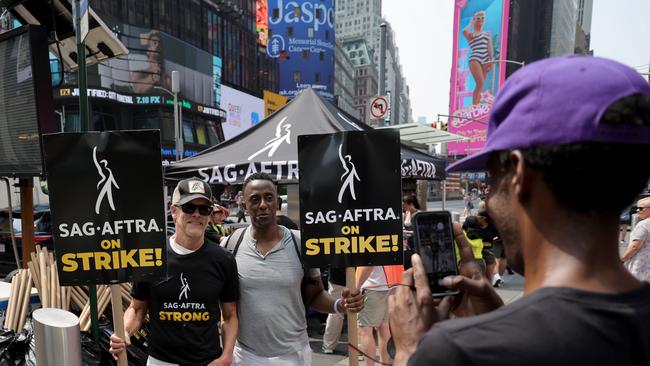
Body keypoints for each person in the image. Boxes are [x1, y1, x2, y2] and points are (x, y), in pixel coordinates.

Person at [388, 56, 650, 365]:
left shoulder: (455, 352)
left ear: (518, 175)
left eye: (491, 178)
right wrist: (499, 316)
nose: (488, 199)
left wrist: (410, 352)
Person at [224, 172, 364, 365]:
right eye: (255, 199)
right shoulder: (231, 245)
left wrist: (339, 305)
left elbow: (314, 296)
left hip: (293, 355)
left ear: (277, 203)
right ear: (244, 205)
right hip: (246, 356)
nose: (263, 204)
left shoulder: (301, 243)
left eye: (269, 197)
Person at [109, 178, 239, 365]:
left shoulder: (223, 260)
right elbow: (137, 309)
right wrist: (124, 333)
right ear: (174, 211)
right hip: (161, 361)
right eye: (189, 207)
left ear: (210, 215)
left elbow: (230, 316)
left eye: (204, 209)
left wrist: (226, 356)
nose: (197, 214)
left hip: (208, 361)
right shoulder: (152, 256)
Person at [463, 10, 493, 105]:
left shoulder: (487, 33)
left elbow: (489, 47)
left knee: (481, 84)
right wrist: (471, 23)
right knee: (479, 82)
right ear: (475, 20)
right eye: (478, 18)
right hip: (475, 58)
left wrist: (491, 60)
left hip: (485, 58)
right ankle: (474, 106)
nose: (480, 20)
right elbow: (464, 31)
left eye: (482, 18)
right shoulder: (471, 34)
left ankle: (478, 104)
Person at [622, 197, 650, 280]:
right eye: (637, 208)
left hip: (640, 266)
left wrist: (623, 259)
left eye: (641, 208)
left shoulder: (643, 225)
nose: (637, 210)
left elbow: (635, 246)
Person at [321, 267, 347, 354]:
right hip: (357, 275)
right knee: (358, 313)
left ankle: (328, 345)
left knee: (335, 312)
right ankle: (359, 348)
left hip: (337, 275)